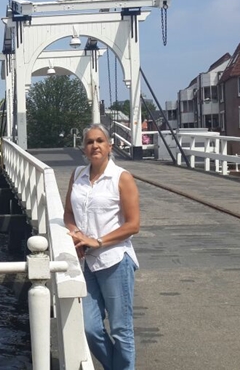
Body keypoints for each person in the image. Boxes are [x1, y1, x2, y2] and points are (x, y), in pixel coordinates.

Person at [64, 123, 140, 370]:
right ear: (83, 148)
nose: (94, 146)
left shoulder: (122, 178)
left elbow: (133, 225)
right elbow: (68, 214)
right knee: (90, 327)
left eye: (100, 141)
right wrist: (75, 233)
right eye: (89, 142)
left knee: (120, 329)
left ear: (110, 146)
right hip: (87, 262)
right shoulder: (77, 175)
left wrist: (97, 241)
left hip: (114, 260)